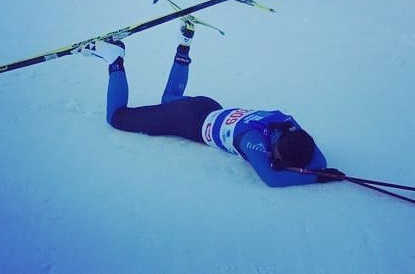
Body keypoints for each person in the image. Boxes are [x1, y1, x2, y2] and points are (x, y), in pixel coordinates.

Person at [79, 23, 344, 188]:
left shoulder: (286, 121)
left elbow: (317, 158)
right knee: (117, 118)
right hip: (188, 121)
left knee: (170, 99)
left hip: (208, 106)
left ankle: (184, 45)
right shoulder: (252, 140)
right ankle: (115, 59)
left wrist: (317, 168)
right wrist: (315, 176)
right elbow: (272, 179)